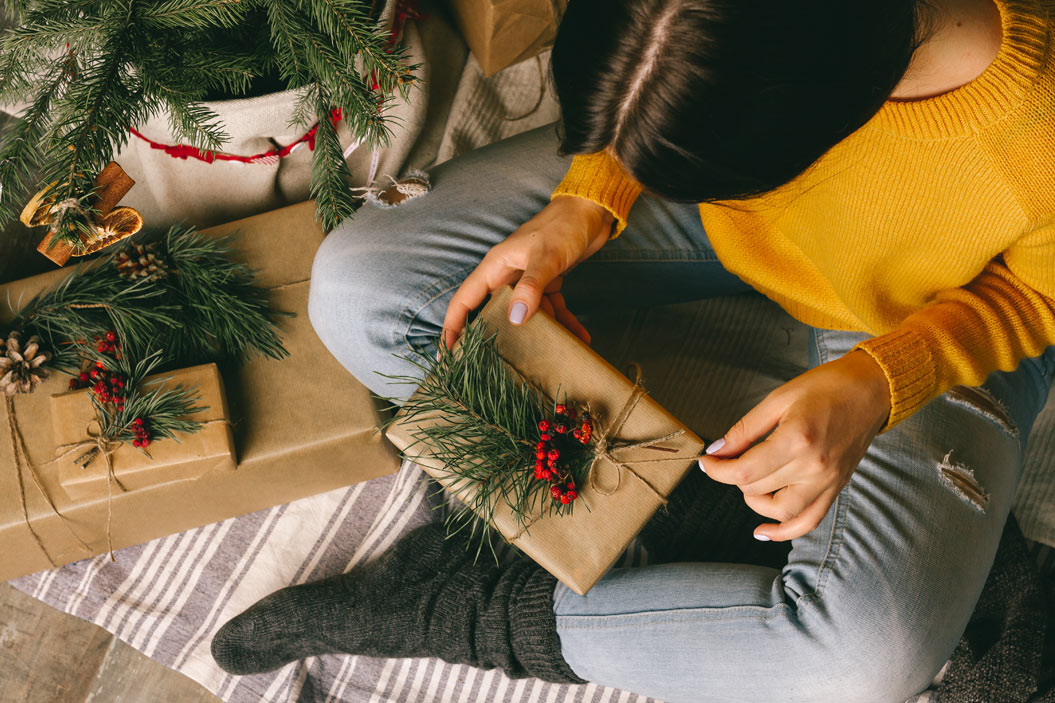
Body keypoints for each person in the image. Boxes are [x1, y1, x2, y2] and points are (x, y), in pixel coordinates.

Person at [210, 0, 1055, 700]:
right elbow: (658, 58)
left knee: (855, 658)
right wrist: (588, 196)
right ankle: (600, 522)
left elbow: (1038, 296)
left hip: (927, 314)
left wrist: (878, 382)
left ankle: (468, 607)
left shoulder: (1034, 128)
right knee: (360, 290)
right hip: (714, 193)